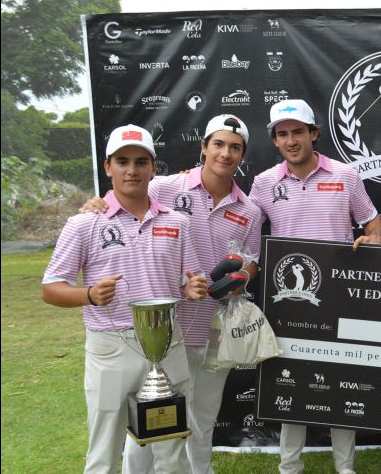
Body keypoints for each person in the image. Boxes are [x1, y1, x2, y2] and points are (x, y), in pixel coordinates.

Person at [79, 115, 263, 474]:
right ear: (203, 147)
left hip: (216, 325)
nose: (225, 153)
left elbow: (250, 259)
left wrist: (243, 275)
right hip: (164, 329)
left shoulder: (250, 209)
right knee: (153, 416)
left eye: (234, 147)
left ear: (242, 156)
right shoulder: (165, 186)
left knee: (204, 415)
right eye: (218, 144)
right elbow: (123, 198)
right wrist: (96, 204)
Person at [41, 124, 208, 474]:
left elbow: (188, 278)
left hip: (167, 344)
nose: (131, 170)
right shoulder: (84, 223)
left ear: (153, 167)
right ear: (108, 167)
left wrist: (190, 289)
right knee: (104, 453)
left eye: (140, 161)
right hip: (112, 347)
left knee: (172, 450)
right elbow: (51, 287)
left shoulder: (176, 221)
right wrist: (88, 294)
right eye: (122, 161)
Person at [249, 99, 381, 474]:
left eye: (298, 132)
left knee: (339, 384)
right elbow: (240, 225)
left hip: (338, 301)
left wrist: (372, 241)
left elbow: (373, 225)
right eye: (282, 134)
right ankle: (289, 467)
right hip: (287, 302)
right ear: (275, 141)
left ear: (314, 134)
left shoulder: (346, 175)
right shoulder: (263, 184)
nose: (291, 140)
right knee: (290, 385)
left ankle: (346, 467)